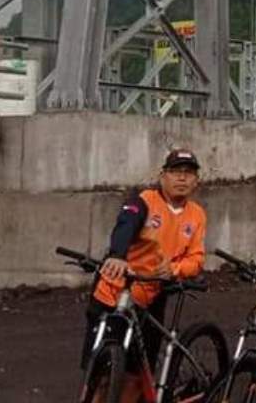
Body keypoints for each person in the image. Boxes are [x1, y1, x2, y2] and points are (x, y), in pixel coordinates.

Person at [81, 148, 207, 403]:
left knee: (137, 374)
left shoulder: (197, 214)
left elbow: (196, 259)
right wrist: (118, 255)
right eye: (176, 172)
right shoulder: (144, 201)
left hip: (152, 295)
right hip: (114, 292)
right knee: (101, 374)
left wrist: (174, 270)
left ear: (196, 180)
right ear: (163, 176)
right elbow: (126, 224)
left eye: (188, 173)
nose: (182, 178)